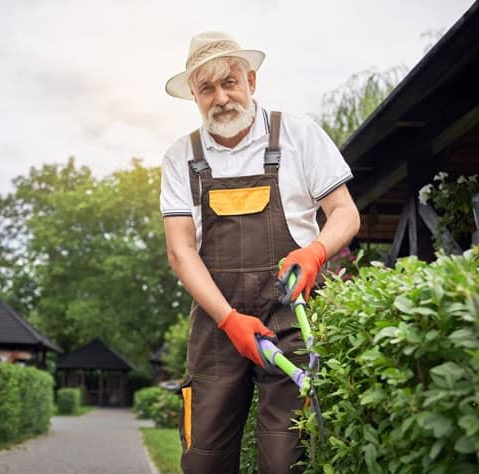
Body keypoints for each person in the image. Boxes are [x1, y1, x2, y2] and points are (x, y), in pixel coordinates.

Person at [160, 31, 361, 473]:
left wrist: (315, 252)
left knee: (285, 458)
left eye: (229, 82)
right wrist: (229, 319)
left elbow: (345, 212)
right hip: (217, 326)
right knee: (203, 459)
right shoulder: (182, 157)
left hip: (291, 320)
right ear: (194, 95)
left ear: (251, 80)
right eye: (207, 88)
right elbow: (180, 251)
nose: (221, 97)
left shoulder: (300, 135)